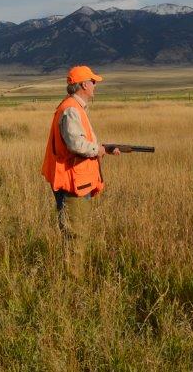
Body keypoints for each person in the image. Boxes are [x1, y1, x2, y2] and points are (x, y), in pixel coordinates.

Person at [40, 65, 120, 273]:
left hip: (75, 180)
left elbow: (80, 142)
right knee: (75, 234)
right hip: (72, 183)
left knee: (76, 232)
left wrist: (104, 150)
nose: (95, 86)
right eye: (93, 82)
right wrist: (98, 149)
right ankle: (74, 284)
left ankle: (73, 278)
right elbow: (76, 145)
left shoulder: (74, 107)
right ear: (84, 85)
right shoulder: (71, 110)